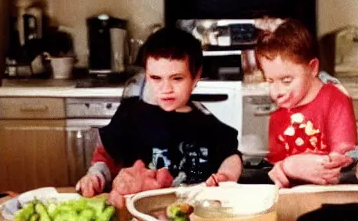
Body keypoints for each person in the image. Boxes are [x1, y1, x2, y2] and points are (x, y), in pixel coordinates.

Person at [76, 27, 242, 205]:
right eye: (155, 78)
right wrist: (95, 176)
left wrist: (226, 176)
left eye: (177, 78)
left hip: (192, 216)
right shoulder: (131, 115)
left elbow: (232, 156)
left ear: (196, 77)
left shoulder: (207, 125)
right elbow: (106, 157)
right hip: (139, 216)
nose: (166, 89)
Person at [255, 19, 358, 188]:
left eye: (286, 80)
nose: (276, 92)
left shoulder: (334, 98)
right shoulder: (277, 111)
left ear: (313, 68)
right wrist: (285, 167)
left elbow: (345, 156)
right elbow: (274, 164)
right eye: (269, 81)